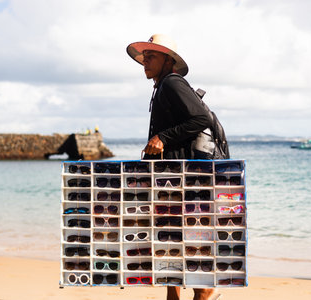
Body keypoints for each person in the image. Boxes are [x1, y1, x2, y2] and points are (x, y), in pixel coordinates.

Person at [127, 34, 221, 300]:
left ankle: (205, 290)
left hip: (182, 176)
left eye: (152, 56)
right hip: (171, 175)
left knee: (180, 234)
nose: (145, 60)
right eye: (144, 56)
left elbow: (201, 117)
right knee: (170, 235)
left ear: (168, 60)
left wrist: (163, 138)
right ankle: (174, 295)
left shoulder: (172, 82)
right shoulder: (161, 86)